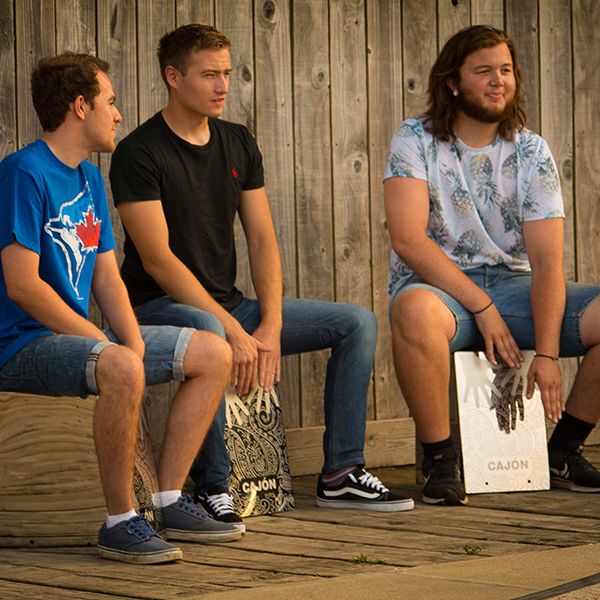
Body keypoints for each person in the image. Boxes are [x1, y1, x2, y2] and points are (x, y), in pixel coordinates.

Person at [109, 23, 414, 530]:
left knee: (356, 322)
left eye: (226, 73)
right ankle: (210, 489)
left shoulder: (238, 141)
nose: (222, 85)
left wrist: (268, 325)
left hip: (232, 305)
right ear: (173, 76)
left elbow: (262, 239)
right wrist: (230, 330)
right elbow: (158, 259)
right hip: (158, 308)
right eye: (209, 74)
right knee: (209, 333)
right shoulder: (140, 152)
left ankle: (341, 471)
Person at [0, 53, 242, 565]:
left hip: (78, 338)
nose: (118, 114)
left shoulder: (88, 178)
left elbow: (108, 276)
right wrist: (104, 343)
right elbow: (23, 286)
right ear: (80, 106)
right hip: (19, 344)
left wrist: (128, 341)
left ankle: (168, 499)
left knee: (212, 353)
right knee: (119, 363)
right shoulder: (23, 172)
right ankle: (119, 522)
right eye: (110, 102)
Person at [384, 25, 600, 506]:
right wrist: (481, 306)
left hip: (513, 286)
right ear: (453, 83)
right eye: (483, 71)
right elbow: (409, 240)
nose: (498, 80)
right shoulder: (414, 139)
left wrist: (546, 354)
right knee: (413, 311)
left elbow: (546, 261)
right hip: (438, 290)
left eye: (505, 70)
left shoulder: (530, 150)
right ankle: (441, 461)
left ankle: (564, 450)